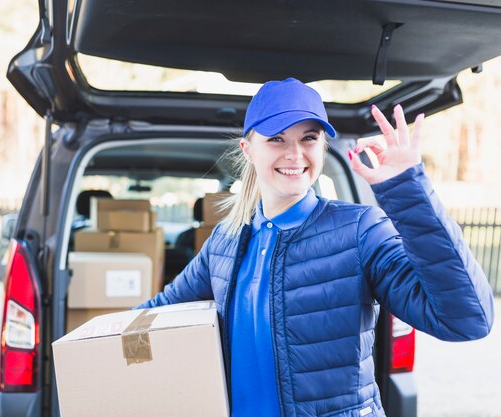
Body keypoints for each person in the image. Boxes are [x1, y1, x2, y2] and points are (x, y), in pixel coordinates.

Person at [136, 78, 494, 417]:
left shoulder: (359, 230)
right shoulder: (226, 241)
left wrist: (407, 191)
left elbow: (466, 319)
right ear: (248, 149)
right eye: (276, 139)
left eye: (308, 138)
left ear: (322, 146)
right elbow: (159, 313)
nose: (294, 154)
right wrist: (92, 340)